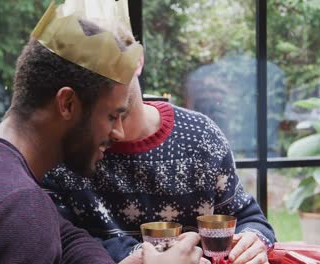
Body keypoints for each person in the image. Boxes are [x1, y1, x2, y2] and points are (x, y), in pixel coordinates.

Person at [0, 3, 204, 264]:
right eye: (112, 115)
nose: (118, 131)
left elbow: (67, 237)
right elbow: (32, 219)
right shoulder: (18, 206)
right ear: (67, 103)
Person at [43, 25, 276, 264]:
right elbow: (57, 242)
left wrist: (253, 239)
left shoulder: (201, 137)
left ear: (138, 61)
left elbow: (248, 218)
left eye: (111, 70)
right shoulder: (63, 150)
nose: (100, 85)